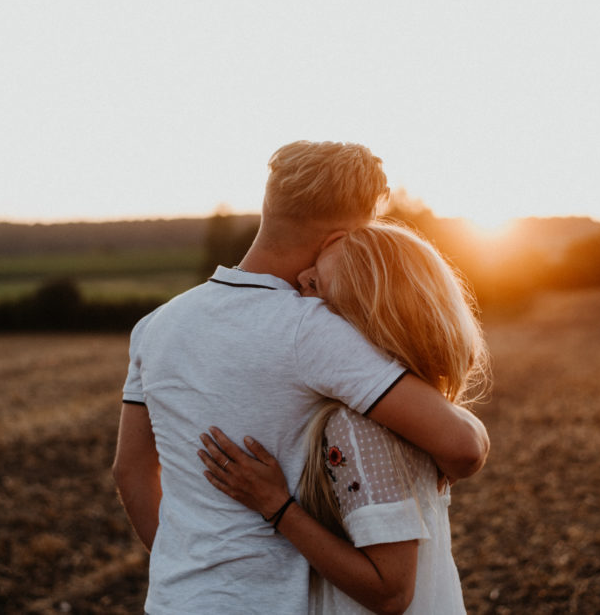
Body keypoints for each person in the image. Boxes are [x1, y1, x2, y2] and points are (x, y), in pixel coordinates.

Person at [112, 141, 489, 614]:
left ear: (270, 205)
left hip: (175, 602)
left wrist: (187, 571)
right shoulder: (312, 330)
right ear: (340, 237)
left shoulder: (156, 326)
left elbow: (130, 471)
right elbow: (463, 447)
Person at [198, 221, 489, 613]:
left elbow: (390, 593)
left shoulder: (360, 426)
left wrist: (276, 505)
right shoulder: (410, 412)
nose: (299, 277)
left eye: (315, 283)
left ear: (355, 317)